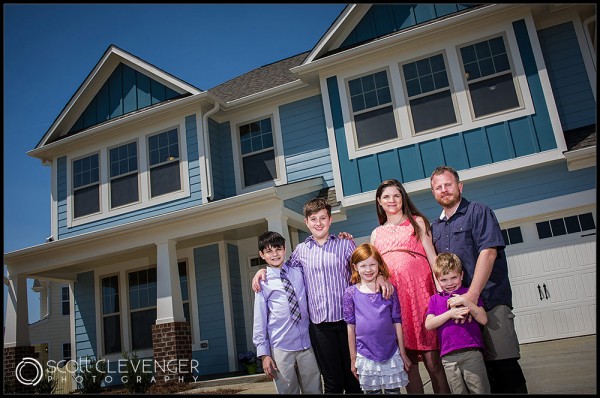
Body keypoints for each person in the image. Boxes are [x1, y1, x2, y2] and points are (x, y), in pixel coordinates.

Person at [252, 198, 394, 394]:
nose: (318, 223)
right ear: (306, 222)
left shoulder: (345, 245)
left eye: (323, 218)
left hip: (349, 322)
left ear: (330, 220)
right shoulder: (301, 251)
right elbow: (282, 271)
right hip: (320, 327)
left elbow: (364, 267)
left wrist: (379, 277)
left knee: (354, 376)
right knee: (332, 381)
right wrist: (263, 272)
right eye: (313, 219)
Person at [429, 165, 528, 393]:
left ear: (460, 186)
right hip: (458, 314)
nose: (444, 190)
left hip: (489, 302)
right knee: (479, 376)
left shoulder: (479, 212)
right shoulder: (435, 227)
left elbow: (489, 252)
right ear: (434, 193)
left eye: (448, 184)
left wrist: (470, 297)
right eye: (438, 187)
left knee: (504, 367)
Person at [370, 179, 451, 394]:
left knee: (433, 362)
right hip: (396, 304)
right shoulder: (376, 234)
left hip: (422, 297)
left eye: (396, 195)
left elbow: (433, 258)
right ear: (379, 201)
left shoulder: (418, 222)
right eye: (386, 196)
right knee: (408, 367)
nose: (392, 200)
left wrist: (442, 293)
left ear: (403, 198)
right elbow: (374, 270)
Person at [252, 231, 322, 394]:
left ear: (284, 249)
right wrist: (264, 354)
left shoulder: (299, 272)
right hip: (281, 346)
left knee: (315, 389)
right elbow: (259, 319)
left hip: (306, 344)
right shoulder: (263, 282)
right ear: (262, 255)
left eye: (278, 249)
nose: (275, 254)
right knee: (287, 391)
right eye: (269, 251)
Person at [343, 243, 411, 394]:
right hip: (365, 355)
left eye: (372, 264)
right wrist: (353, 359)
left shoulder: (388, 289)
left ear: (379, 265)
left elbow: (397, 321)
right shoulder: (350, 293)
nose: (368, 270)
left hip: (391, 353)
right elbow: (350, 327)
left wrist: (403, 353)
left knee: (393, 391)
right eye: (363, 265)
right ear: (355, 267)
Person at [425, 252, 491, 394]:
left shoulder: (469, 294)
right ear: (437, 280)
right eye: (444, 279)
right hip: (448, 357)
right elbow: (428, 324)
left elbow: (484, 319)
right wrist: (450, 314)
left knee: (480, 390)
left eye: (454, 277)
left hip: (471, 353)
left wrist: (465, 301)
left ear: (461, 275)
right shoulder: (435, 300)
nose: (449, 283)